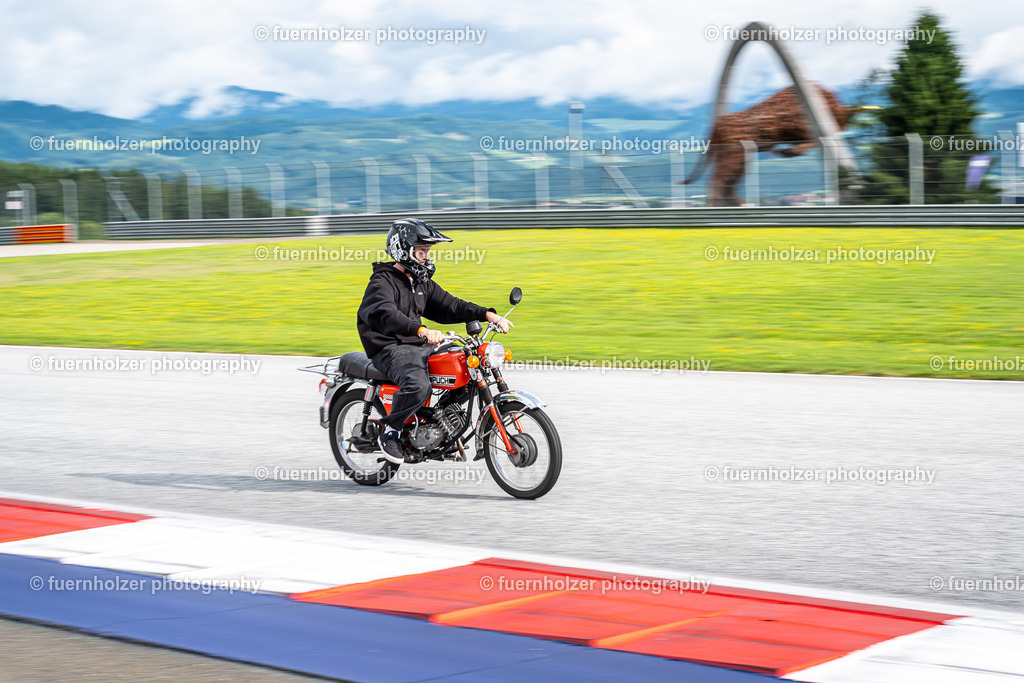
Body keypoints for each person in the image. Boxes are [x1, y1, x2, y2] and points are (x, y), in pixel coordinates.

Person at [357, 218, 512, 464]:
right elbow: (385, 314)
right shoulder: (382, 282)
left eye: (427, 252)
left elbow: (452, 305)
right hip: (390, 347)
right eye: (421, 251)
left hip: (417, 343)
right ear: (403, 249)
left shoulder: (420, 283)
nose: (426, 258)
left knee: (467, 367)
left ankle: (439, 420)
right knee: (418, 385)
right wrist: (419, 329)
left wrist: (488, 314)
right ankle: (391, 430)